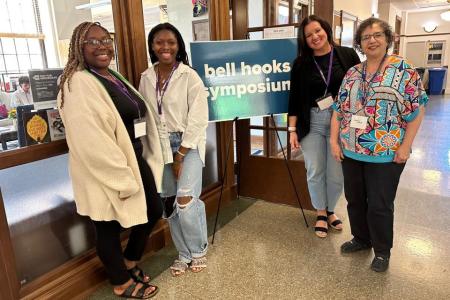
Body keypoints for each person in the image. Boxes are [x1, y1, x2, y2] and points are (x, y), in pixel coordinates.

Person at [57, 21, 163, 298]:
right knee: (107, 224)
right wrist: (122, 178)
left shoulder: (110, 76)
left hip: (133, 159)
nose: (102, 46)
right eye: (92, 41)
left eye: (105, 40)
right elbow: (91, 142)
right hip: (105, 168)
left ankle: (128, 262)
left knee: (153, 209)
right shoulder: (77, 83)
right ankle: (120, 281)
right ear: (78, 47)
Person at [330, 18, 428, 272]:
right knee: (354, 200)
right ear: (360, 43)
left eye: (377, 35)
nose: (371, 40)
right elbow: (338, 111)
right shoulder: (353, 72)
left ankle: (382, 251)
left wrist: (406, 146)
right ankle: (361, 239)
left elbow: (417, 111)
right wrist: (334, 141)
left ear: (387, 39)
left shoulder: (403, 69)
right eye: (365, 37)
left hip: (386, 153)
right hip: (351, 150)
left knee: (379, 203)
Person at [139, 23, 209, 277]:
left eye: (171, 42)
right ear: (152, 46)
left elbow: (199, 118)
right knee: (169, 203)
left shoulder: (189, 76)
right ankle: (184, 253)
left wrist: (181, 153)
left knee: (186, 200)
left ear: (178, 45)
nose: (165, 47)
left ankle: (199, 250)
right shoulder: (146, 77)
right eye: (159, 42)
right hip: (158, 146)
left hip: (186, 144)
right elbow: (148, 115)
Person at [288, 15, 360, 238]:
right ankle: (320, 211)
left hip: (341, 120)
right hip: (312, 121)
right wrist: (292, 129)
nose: (314, 37)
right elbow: (294, 98)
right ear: (304, 40)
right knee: (315, 169)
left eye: (317, 31)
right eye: (308, 35)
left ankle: (330, 210)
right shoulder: (301, 63)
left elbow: (361, 86)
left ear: (326, 30)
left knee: (336, 172)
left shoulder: (347, 54)